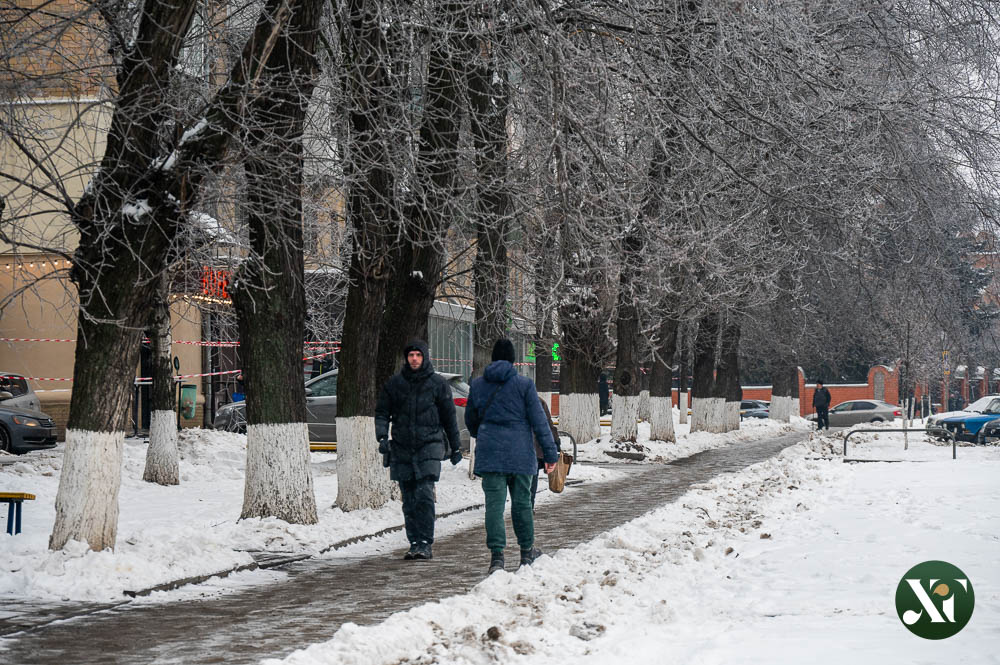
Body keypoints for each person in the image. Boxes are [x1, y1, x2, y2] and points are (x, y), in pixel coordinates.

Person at [466, 339, 558, 575]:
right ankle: (526, 552)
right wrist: (550, 454)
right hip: (520, 455)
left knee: (494, 507)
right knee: (522, 504)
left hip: (491, 455)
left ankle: (497, 557)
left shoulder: (478, 385)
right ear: (513, 360)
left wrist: (485, 434)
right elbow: (539, 422)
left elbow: (471, 421)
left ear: (493, 358)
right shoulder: (524, 385)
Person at [375, 339, 462, 561]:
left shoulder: (437, 384)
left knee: (424, 494)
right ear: (406, 358)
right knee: (409, 499)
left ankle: (425, 542)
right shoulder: (395, 384)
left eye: (418, 355)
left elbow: (449, 417)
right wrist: (382, 436)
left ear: (425, 357)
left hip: (429, 445)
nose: (414, 359)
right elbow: (382, 412)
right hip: (402, 447)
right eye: (411, 355)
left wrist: (456, 447)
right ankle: (414, 542)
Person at [530, 398, 561, 510]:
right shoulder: (536, 400)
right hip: (531, 453)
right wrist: (555, 444)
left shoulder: (497, 397)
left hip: (504, 454)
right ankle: (528, 510)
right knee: (529, 487)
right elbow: (547, 427)